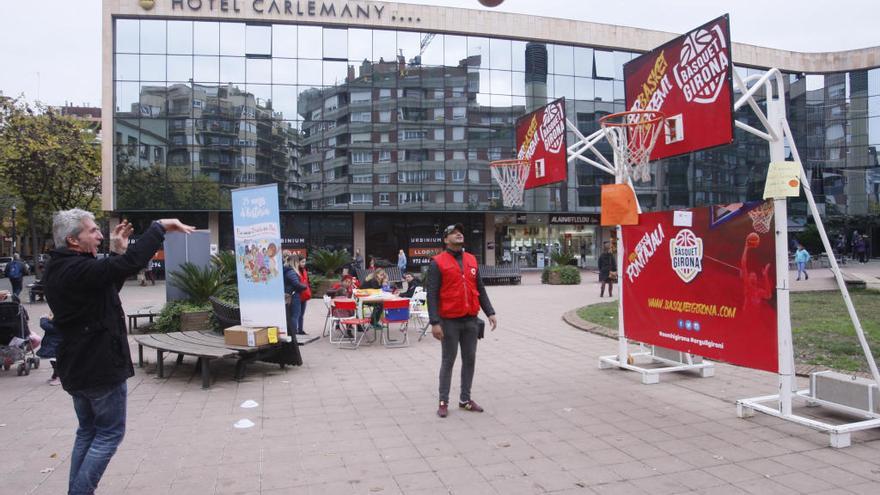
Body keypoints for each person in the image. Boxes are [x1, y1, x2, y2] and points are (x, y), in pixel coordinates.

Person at [42, 211, 194, 495]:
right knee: (109, 435)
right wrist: (158, 227)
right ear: (73, 240)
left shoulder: (62, 267)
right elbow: (132, 263)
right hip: (98, 365)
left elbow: (105, 288)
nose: (99, 236)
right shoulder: (75, 269)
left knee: (88, 432)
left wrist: (117, 251)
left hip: (78, 366)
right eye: (92, 232)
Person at [427, 223, 497, 418]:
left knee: (470, 360)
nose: (458, 234)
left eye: (460, 232)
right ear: (445, 239)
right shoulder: (437, 262)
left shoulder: (472, 259)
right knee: (448, 361)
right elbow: (431, 295)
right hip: (448, 321)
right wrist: (434, 322)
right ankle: (443, 401)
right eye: (453, 232)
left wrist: (490, 311)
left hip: (470, 320)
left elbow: (480, 288)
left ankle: (465, 400)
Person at [37, 313, 63, 386]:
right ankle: (55, 375)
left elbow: (45, 326)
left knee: (56, 363)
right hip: (52, 344)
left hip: (55, 345)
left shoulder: (59, 323)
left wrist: (43, 318)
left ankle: (60, 377)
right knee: (53, 361)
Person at [295, 255, 311, 335]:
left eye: (304, 262)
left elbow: (307, 282)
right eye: (302, 262)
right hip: (298, 295)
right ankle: (296, 330)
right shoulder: (295, 271)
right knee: (297, 314)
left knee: (301, 314)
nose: (304, 263)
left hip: (304, 295)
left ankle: (300, 330)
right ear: (298, 262)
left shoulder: (304, 270)